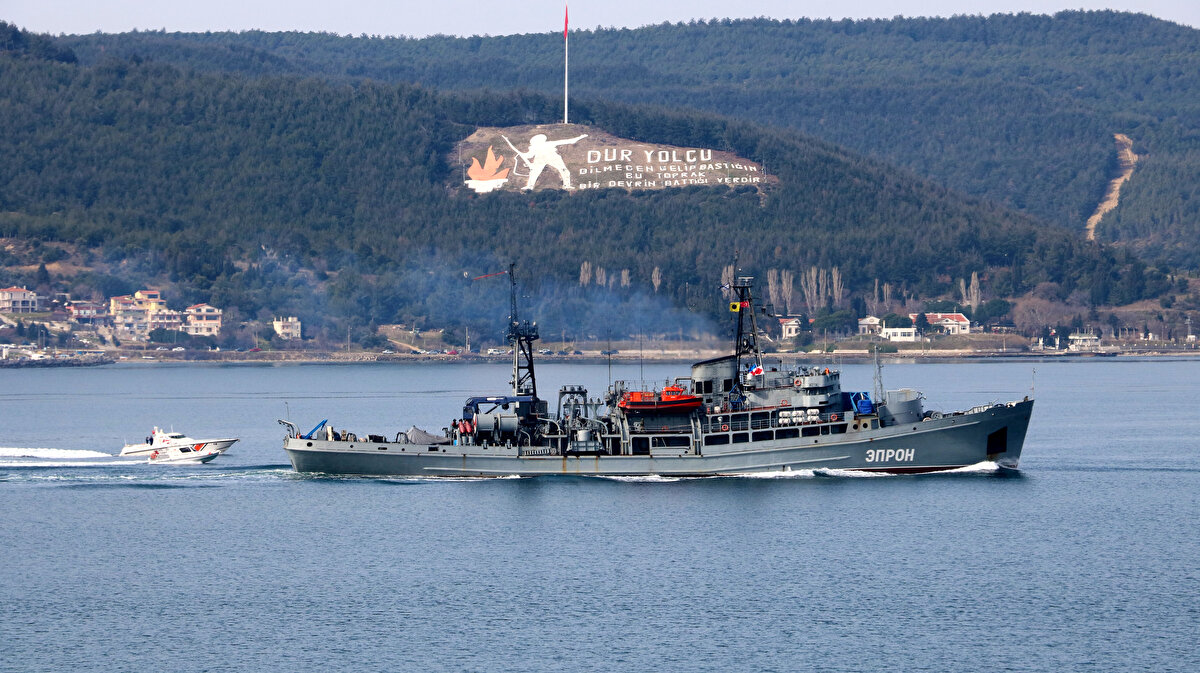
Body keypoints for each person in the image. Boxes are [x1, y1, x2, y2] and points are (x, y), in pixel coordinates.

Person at [503, 133, 587, 190]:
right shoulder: (534, 147)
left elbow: (567, 141)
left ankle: (567, 185)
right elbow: (529, 155)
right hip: (540, 159)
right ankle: (530, 186)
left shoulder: (548, 144)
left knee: (564, 170)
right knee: (534, 173)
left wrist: (579, 138)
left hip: (552, 157)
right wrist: (523, 154)